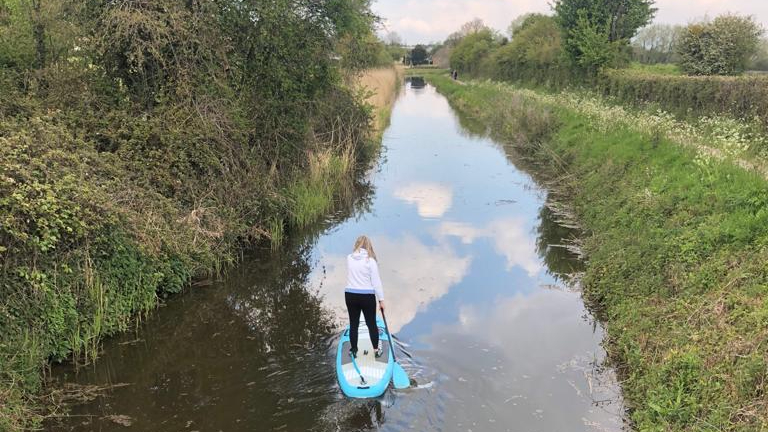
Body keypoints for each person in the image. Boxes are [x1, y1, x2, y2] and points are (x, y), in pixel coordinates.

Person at [345, 235, 384, 358]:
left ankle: (354, 350)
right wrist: (381, 300)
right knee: (371, 324)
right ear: (368, 246)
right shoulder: (370, 261)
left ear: (356, 245)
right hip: (367, 296)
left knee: (354, 324)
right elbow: (376, 282)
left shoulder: (349, 258)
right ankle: (376, 350)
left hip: (350, 294)